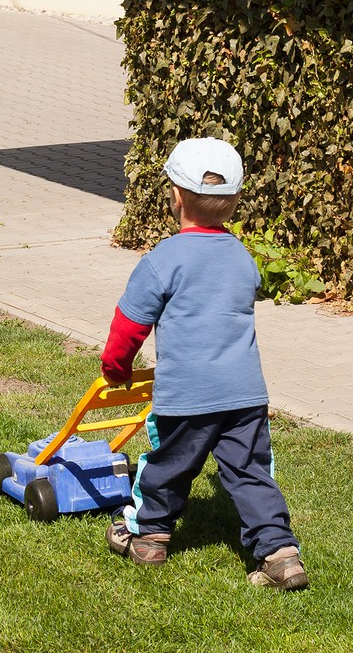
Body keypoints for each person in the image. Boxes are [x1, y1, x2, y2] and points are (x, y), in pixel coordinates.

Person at [99, 137, 308, 590]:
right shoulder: (243, 259)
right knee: (250, 472)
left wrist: (116, 370)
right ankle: (279, 551)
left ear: (175, 196)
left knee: (168, 465)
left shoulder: (162, 260)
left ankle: (148, 535)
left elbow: (129, 326)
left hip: (186, 396)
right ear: (233, 203)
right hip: (244, 395)